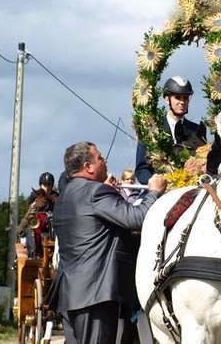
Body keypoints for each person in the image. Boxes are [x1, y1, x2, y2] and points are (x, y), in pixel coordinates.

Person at [54, 141, 167, 344]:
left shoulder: (65, 195)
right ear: (88, 167)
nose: (105, 161)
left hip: (70, 293)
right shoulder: (96, 193)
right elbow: (135, 218)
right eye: (99, 158)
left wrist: (108, 191)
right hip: (95, 294)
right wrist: (154, 192)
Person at [134, 75, 207, 184]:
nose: (182, 102)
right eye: (177, 97)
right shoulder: (151, 128)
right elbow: (141, 169)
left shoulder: (196, 129)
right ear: (167, 99)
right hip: (158, 191)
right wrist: (160, 183)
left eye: (185, 98)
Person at [17, 172, 58, 257]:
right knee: (27, 234)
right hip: (36, 224)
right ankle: (30, 255)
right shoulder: (35, 195)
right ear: (40, 185)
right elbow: (30, 211)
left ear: (52, 186)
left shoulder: (56, 196)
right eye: (44, 185)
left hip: (52, 226)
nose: (46, 188)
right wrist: (22, 226)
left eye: (49, 185)